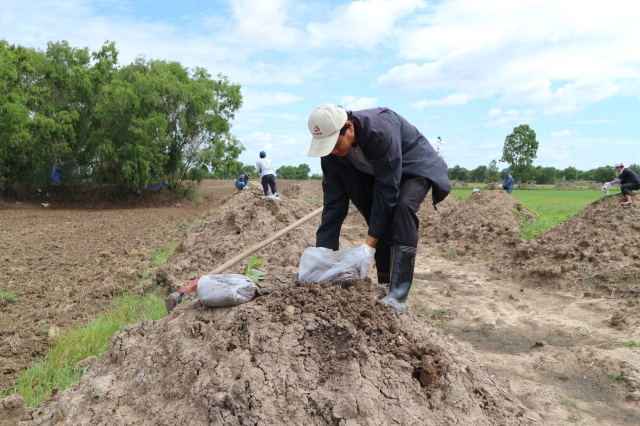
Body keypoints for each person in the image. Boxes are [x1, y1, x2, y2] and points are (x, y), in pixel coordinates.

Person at [307, 104, 451, 313]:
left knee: (402, 209)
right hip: (377, 173)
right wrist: (323, 256)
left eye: (336, 144)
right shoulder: (331, 153)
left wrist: (368, 246)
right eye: (328, 147)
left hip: (413, 167)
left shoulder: (380, 130)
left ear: (349, 127)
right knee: (377, 216)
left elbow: (388, 190)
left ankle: (398, 295)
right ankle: (385, 284)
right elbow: (333, 203)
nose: (334, 151)